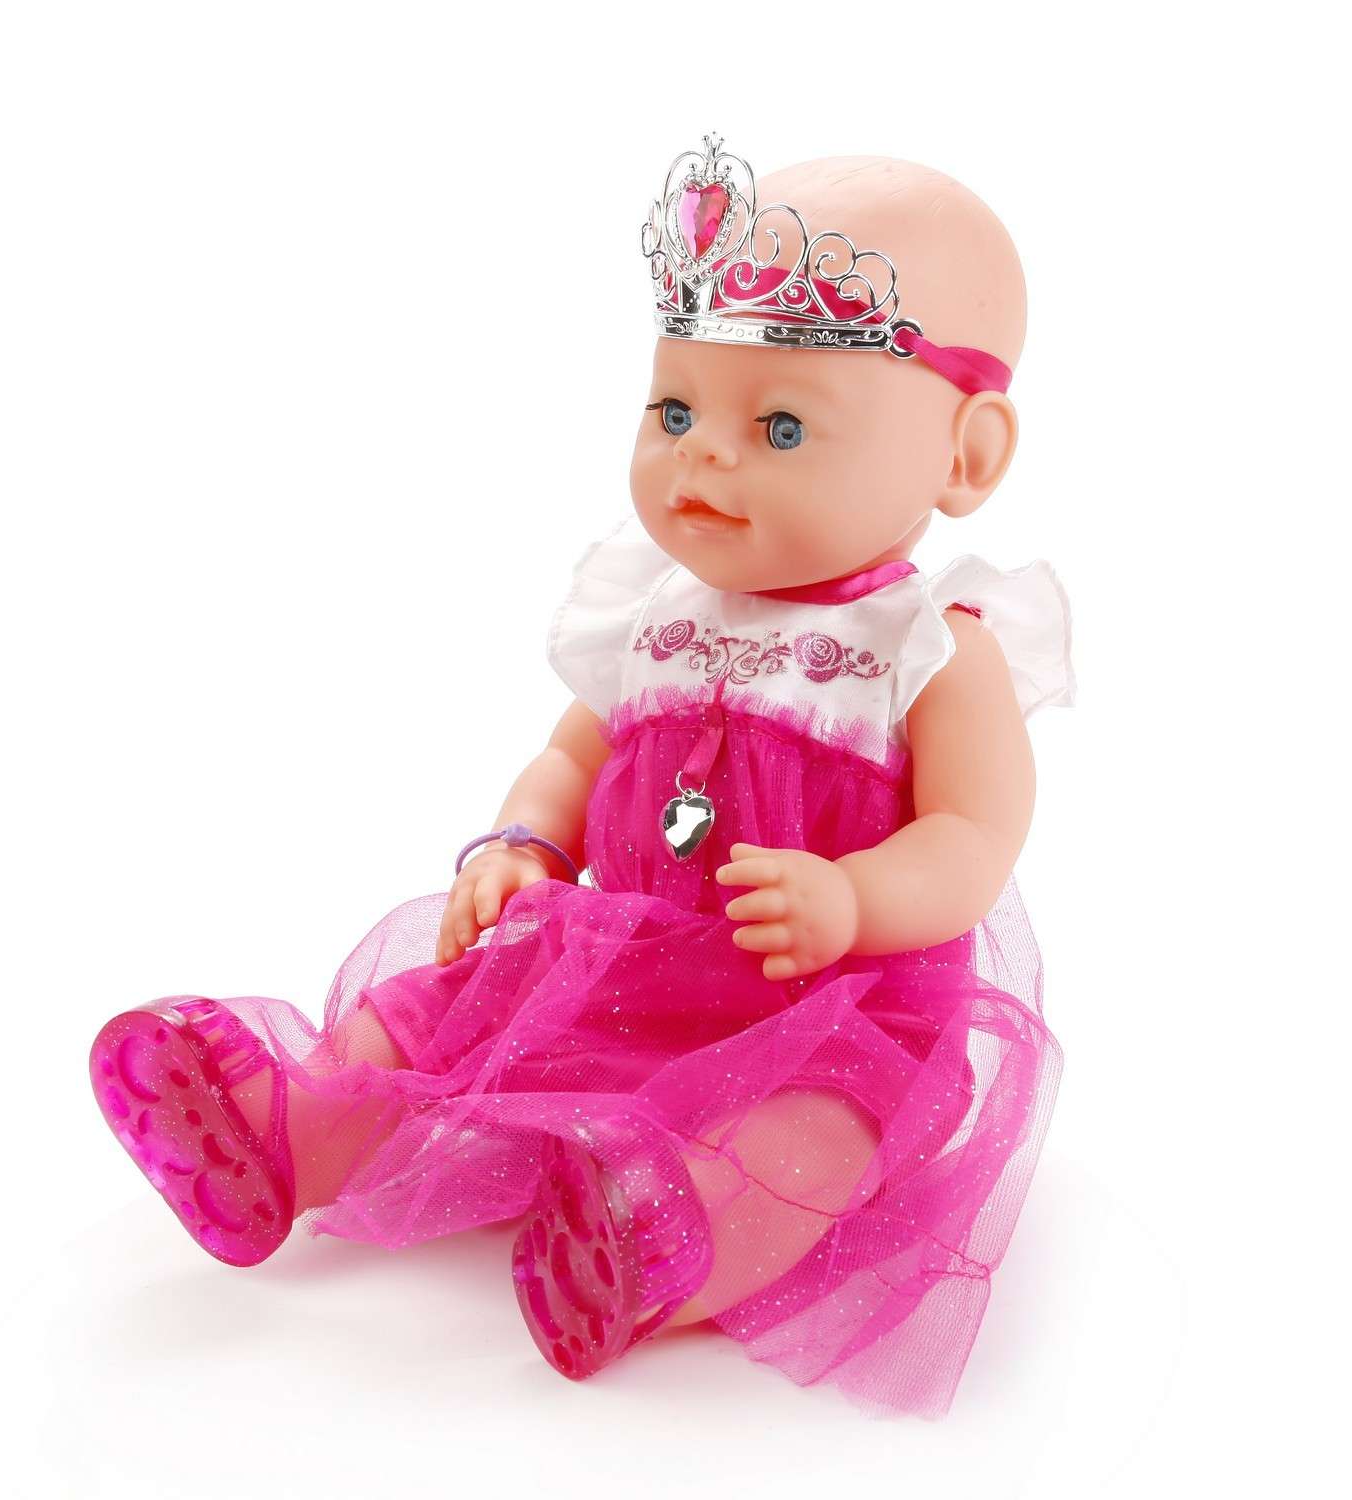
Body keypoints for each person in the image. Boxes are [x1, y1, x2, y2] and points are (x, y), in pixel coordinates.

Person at [89, 135, 1073, 1418]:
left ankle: (662, 1238)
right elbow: (575, 754)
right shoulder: (657, 613)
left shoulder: (931, 648)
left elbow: (974, 834)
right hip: (627, 961)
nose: (701, 460)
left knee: (816, 1135)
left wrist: (854, 899)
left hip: (824, 1004)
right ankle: (293, 1126)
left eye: (779, 426)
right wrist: (523, 846)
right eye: (676, 413)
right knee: (453, 998)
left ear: (966, 455)